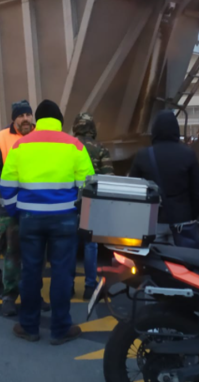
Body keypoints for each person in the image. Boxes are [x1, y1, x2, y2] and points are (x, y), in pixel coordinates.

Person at [0, 100, 95, 345]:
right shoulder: (74, 146)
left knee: (30, 272)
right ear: (60, 121)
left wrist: (16, 211)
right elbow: (89, 185)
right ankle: (60, 328)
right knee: (62, 273)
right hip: (64, 218)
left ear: (37, 120)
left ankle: (29, 326)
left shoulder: (20, 145)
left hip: (30, 218)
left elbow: (6, 186)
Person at [0, 100, 38, 316]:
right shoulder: (0, 139)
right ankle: (9, 297)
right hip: (11, 206)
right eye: (21, 115)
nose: (25, 119)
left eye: (28, 115)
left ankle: (33, 296)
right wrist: (15, 189)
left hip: (35, 206)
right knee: (12, 253)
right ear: (14, 118)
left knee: (35, 254)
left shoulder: (40, 137)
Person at [130, 111, 199, 248]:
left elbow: (133, 191)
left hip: (152, 222)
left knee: (152, 263)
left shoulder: (143, 155)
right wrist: (191, 214)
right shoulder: (188, 154)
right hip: (182, 222)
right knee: (181, 264)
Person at [72, 112, 113, 300]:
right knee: (90, 245)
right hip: (92, 202)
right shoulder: (100, 148)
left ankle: (68, 285)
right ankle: (90, 286)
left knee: (70, 244)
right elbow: (108, 179)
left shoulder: (68, 146)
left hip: (71, 201)